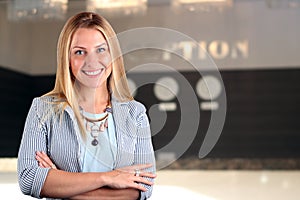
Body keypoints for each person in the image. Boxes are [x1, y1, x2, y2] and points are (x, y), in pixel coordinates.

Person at [17, 11, 156, 200]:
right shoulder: (43, 109)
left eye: (101, 50)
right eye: (80, 52)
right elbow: (28, 179)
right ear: (67, 59)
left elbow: (142, 188)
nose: (92, 62)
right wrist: (108, 178)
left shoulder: (135, 113)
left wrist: (62, 185)